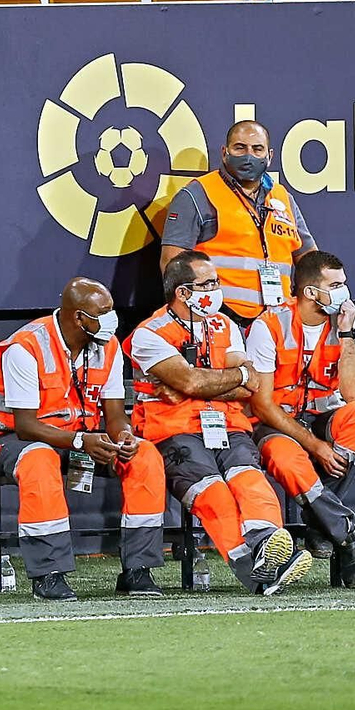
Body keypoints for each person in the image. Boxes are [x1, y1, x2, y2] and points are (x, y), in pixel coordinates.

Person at [126, 251, 311, 595]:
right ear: (182, 293)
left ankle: (269, 545)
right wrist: (217, 379)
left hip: (228, 424)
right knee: (214, 493)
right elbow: (195, 381)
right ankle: (256, 571)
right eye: (208, 283)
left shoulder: (224, 324)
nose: (216, 288)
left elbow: (250, 381)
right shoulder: (149, 333)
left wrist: (199, 384)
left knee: (249, 478)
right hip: (172, 430)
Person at [0, 277, 169, 601]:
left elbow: (115, 414)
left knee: (144, 455)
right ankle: (48, 575)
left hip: (81, 438)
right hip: (12, 439)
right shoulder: (25, 347)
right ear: (79, 318)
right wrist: (82, 442)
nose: (112, 318)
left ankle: (138, 570)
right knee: (40, 458)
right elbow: (25, 426)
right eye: (104, 311)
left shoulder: (108, 347)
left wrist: (123, 436)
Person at [246, 250, 355, 587]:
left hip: (323, 415)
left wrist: (347, 334)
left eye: (344, 284)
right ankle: (347, 534)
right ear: (310, 292)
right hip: (278, 421)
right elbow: (262, 405)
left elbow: (353, 394)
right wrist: (315, 446)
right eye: (335, 285)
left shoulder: (349, 324)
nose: (344, 292)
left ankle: (321, 524)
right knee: (284, 457)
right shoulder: (269, 325)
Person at [159, 120, 316, 330]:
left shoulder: (283, 197)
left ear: (269, 156)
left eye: (257, 149)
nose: (248, 156)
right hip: (219, 323)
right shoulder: (197, 194)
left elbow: (310, 260)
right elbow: (172, 264)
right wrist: (198, 318)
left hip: (279, 323)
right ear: (225, 152)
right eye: (239, 147)